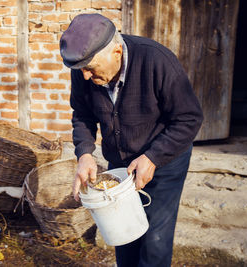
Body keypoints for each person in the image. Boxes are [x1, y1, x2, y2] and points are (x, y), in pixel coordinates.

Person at [59, 13, 203, 267]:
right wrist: (84, 154)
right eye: (80, 69)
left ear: (116, 52)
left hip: (164, 159)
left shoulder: (157, 60)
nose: (84, 76)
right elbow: (82, 114)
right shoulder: (84, 69)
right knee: (123, 233)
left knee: (155, 241)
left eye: (90, 68)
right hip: (121, 164)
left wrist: (152, 158)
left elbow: (189, 118)